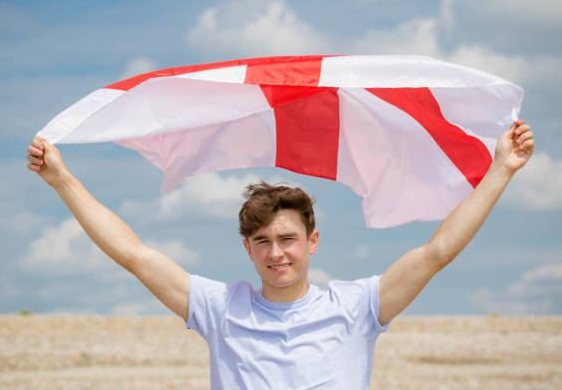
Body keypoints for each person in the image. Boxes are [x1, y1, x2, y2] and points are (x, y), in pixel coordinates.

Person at [27, 119, 534, 389]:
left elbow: (437, 251)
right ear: (247, 250)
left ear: (313, 242)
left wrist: (502, 170)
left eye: (288, 239)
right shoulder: (221, 308)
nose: (278, 254)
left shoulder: (355, 307)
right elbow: (133, 254)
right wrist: (61, 179)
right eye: (263, 242)